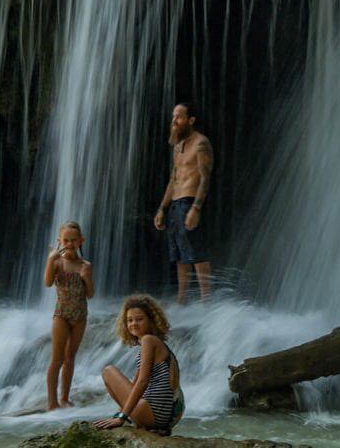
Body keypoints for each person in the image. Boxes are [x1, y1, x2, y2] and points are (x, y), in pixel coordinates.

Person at [94, 294, 184, 434]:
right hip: (168, 417)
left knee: (108, 371)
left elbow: (142, 382)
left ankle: (138, 419)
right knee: (130, 385)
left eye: (139, 319)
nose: (133, 324)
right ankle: (151, 426)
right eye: (129, 320)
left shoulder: (149, 340)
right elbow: (135, 383)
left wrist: (121, 418)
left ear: (151, 320)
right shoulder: (156, 344)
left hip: (155, 413)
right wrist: (119, 413)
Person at [153, 102, 213, 303]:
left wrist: (196, 207)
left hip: (189, 201)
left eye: (178, 117)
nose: (174, 121)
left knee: (196, 252)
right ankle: (182, 299)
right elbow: (173, 179)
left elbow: (205, 177)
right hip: (175, 204)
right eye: (173, 117)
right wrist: (162, 208)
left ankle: (207, 300)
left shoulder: (201, 143)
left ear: (191, 120)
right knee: (179, 254)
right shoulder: (177, 146)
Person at [44, 220, 94, 410]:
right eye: (66, 240)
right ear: (59, 241)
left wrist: (86, 277)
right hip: (61, 314)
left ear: (81, 241)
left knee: (70, 357)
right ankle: (52, 402)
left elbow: (90, 294)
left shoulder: (85, 265)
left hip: (80, 315)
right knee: (57, 358)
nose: (69, 244)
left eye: (74, 240)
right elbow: (48, 283)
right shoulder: (57, 262)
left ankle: (64, 398)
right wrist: (50, 259)